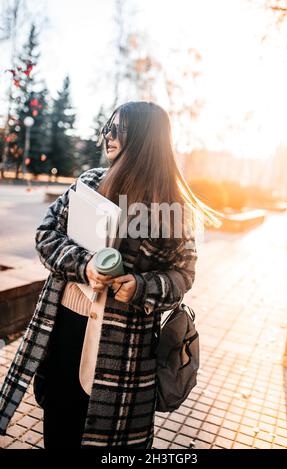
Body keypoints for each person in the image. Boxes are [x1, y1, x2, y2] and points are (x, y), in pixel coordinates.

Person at [0, 101, 221, 449]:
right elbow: (46, 234)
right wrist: (84, 264)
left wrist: (142, 286)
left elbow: (183, 277)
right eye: (107, 127)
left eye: (117, 130)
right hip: (64, 337)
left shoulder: (176, 209)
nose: (108, 136)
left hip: (126, 356)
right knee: (58, 432)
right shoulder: (90, 182)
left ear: (146, 138)